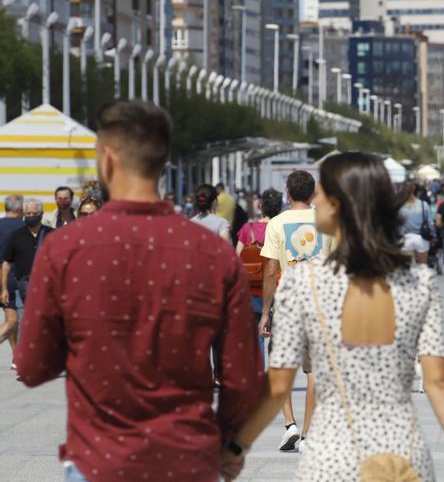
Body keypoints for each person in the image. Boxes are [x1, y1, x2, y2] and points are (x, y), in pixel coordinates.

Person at [13, 100, 264, 481]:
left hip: (98, 460)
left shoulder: (64, 249)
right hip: (187, 461)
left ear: (108, 157)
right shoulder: (213, 254)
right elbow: (243, 378)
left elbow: (32, 365)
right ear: (163, 162)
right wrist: (231, 445)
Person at [223, 152, 444, 482]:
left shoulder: (304, 283)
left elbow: (278, 384)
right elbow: (439, 381)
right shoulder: (417, 282)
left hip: (333, 456)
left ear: (338, 204)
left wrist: (237, 447)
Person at [259, 170, 335, 452]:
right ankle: (307, 434)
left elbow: (269, 271)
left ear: (288, 194)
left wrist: (266, 312)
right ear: (313, 194)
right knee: (313, 370)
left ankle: (289, 424)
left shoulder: (276, 224)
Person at [236, 188, 283, 356]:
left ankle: (258, 377)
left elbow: (236, 258)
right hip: (277, 287)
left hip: (253, 289)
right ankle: (274, 378)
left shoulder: (247, 229)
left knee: (258, 335)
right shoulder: (281, 228)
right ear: (280, 208)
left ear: (260, 205)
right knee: (278, 337)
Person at [1, 199, 53, 311]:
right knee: (22, 324)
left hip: (47, 289)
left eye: (34, 213)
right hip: (22, 290)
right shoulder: (17, 235)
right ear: (23, 214)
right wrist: (4, 289)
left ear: (41, 214)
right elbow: (6, 263)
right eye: (28, 214)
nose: (31, 216)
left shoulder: (52, 234)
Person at [0, 195, 24, 350]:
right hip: (11, 279)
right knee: (13, 320)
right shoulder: (23, 228)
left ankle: (17, 357)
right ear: (19, 209)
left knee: (11, 319)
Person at [400, 181, 434, 264]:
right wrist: (433, 235)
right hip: (421, 238)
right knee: (423, 267)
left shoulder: (400, 205)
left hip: (406, 238)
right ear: (417, 191)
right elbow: (430, 223)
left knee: (409, 268)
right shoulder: (423, 204)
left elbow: (397, 224)